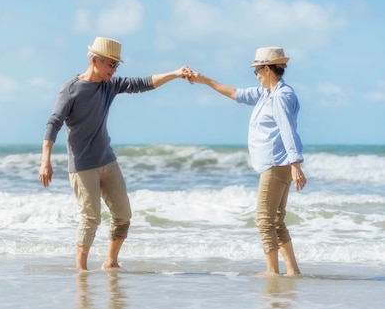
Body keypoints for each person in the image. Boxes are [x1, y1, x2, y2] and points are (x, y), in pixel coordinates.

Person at [39, 37, 191, 271]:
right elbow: (53, 123)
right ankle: (81, 270)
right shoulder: (71, 89)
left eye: (116, 65)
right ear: (94, 60)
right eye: (110, 64)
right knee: (91, 219)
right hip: (82, 166)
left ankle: (111, 262)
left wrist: (175, 73)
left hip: (107, 161)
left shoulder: (109, 85)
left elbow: (143, 83)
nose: (113, 69)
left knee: (123, 214)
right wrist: (45, 162)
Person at [189, 47, 307, 276]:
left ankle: (272, 272)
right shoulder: (266, 93)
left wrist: (296, 164)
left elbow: (288, 130)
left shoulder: (281, 96)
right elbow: (235, 93)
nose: (256, 75)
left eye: (257, 71)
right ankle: (293, 271)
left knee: (263, 219)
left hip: (276, 164)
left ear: (266, 69)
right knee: (275, 220)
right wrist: (205, 81)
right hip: (275, 164)